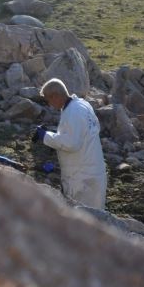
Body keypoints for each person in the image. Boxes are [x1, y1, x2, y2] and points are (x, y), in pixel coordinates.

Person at [31, 78, 107, 210]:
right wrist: (53, 135)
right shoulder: (81, 105)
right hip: (92, 170)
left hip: (83, 177)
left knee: (85, 216)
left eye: (49, 100)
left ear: (55, 96)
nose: (49, 104)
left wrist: (46, 136)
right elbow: (78, 134)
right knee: (95, 214)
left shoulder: (73, 112)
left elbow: (72, 143)